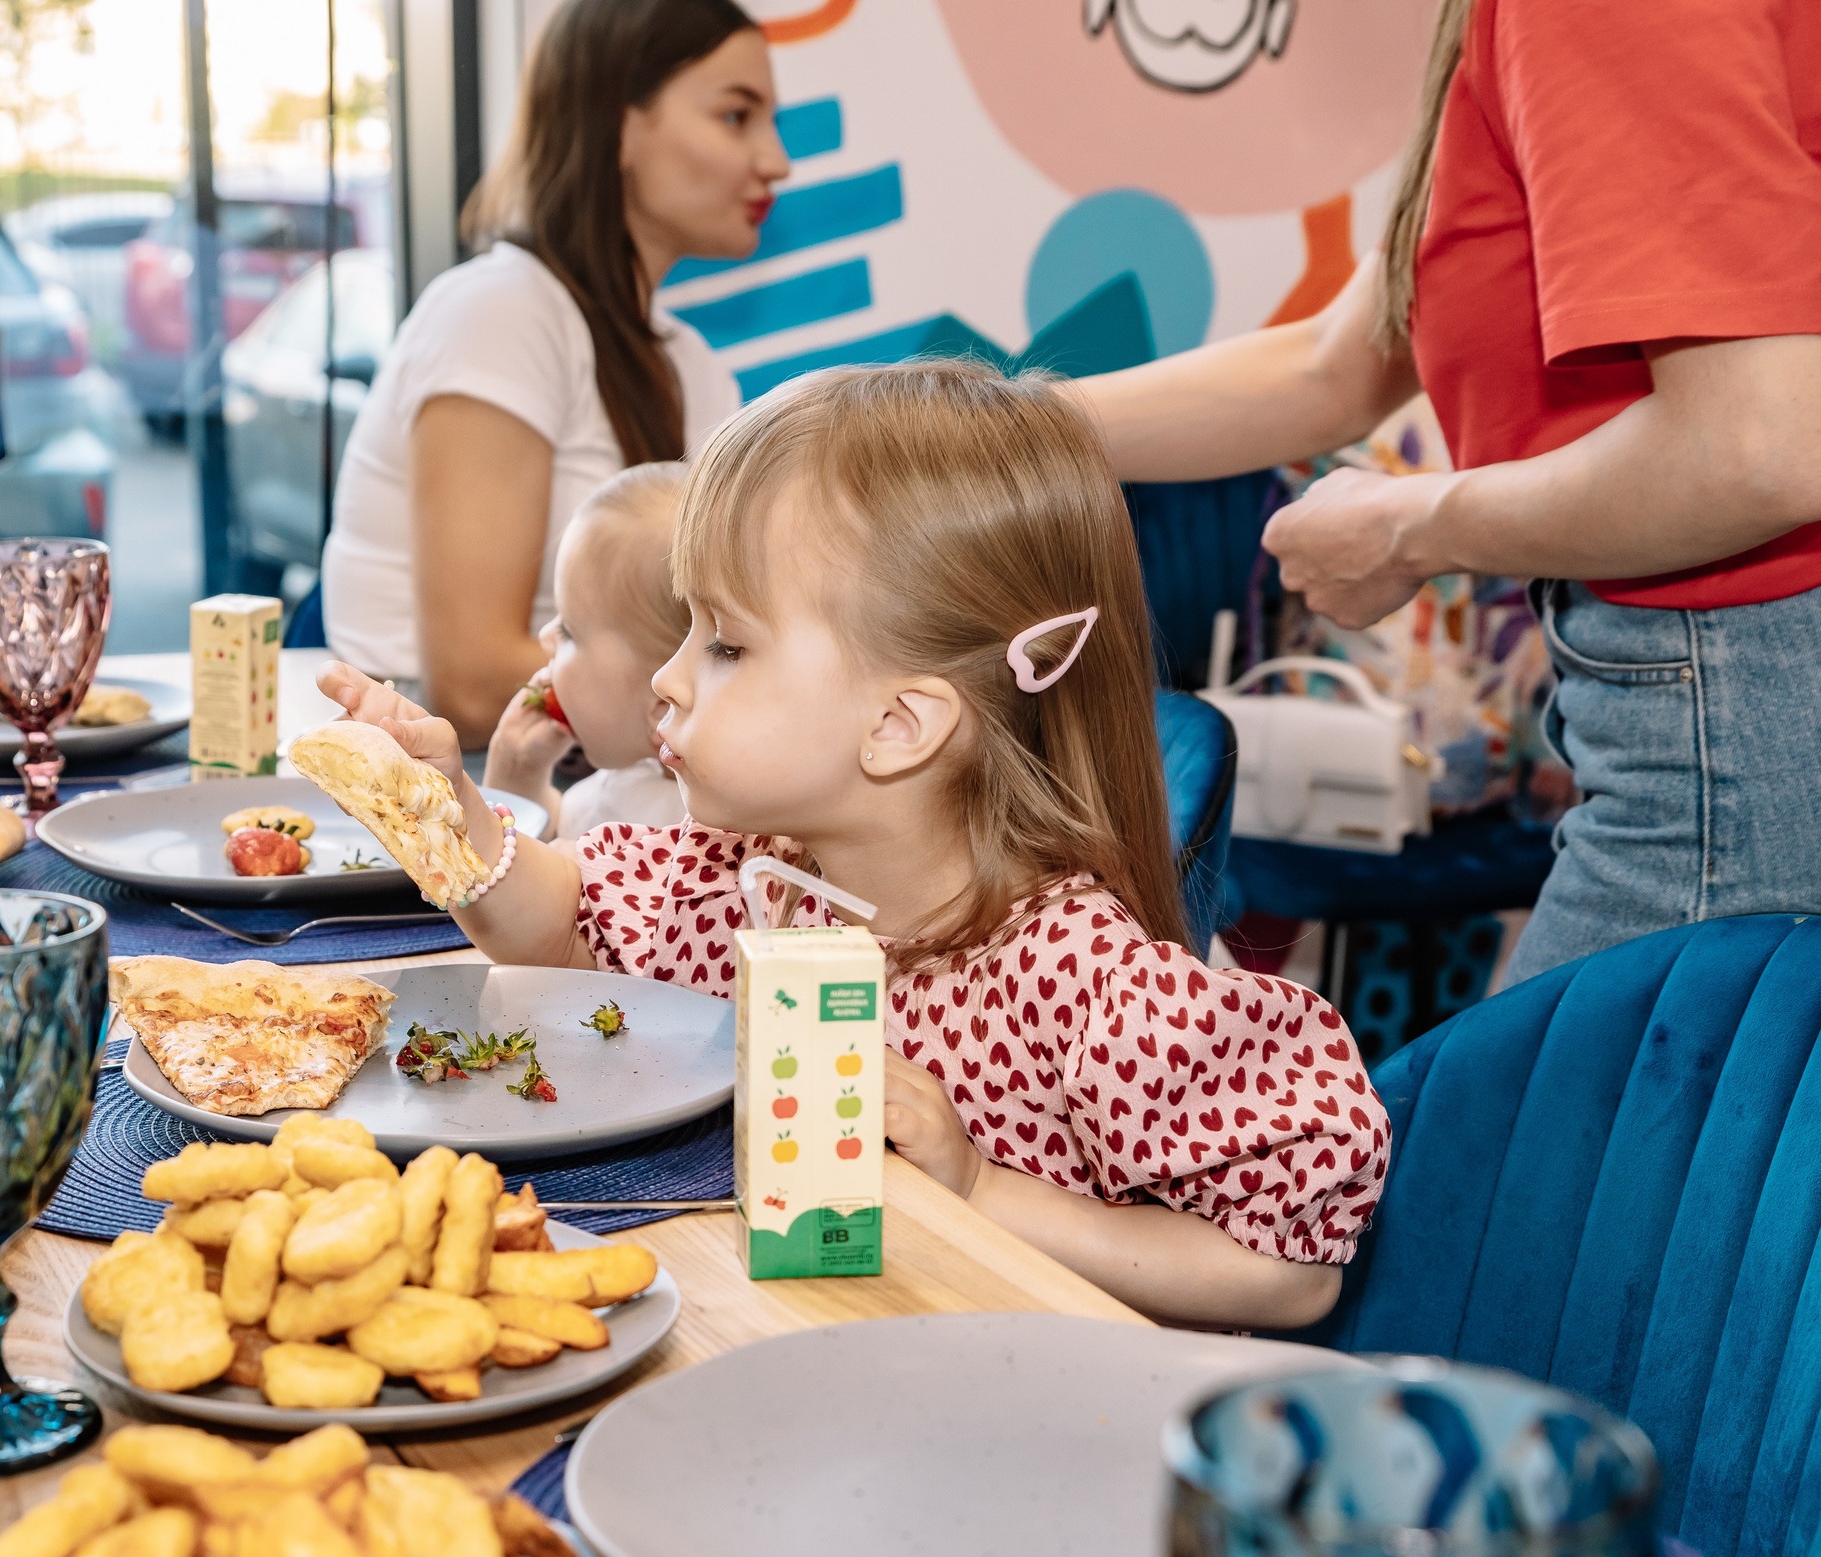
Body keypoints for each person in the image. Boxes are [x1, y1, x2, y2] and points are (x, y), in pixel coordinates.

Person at [320, 364, 1388, 1331]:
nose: (668, 677)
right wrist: (446, 805)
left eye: (727, 643)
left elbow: (1288, 1268)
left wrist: (978, 1187)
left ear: (897, 727)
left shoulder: (1077, 983)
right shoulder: (756, 887)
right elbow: (550, 928)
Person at [1065, 0, 1821, 981]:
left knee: (1506, 1133)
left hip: (1786, 717)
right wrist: (978, 427)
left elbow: (1753, 449)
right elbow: (1336, 365)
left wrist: (1413, 529)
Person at [319, 0, 788, 747]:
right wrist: (764, 700)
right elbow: (470, 687)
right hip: (442, 794)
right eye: (737, 116)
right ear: (619, 122)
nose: (776, 161)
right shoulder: (500, 314)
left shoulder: (692, 367)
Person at [484, 463, 691, 841]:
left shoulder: (622, 819)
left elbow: (514, 873)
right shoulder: (626, 783)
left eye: (568, 630)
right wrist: (520, 773)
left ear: (663, 708)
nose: (546, 636)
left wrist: (509, 786)